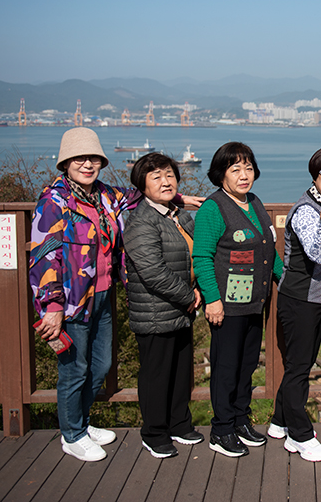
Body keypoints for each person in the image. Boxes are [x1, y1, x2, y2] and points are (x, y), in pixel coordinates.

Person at [29, 128, 201, 462]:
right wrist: (51, 304)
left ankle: (82, 422)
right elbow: (44, 254)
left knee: (100, 364)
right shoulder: (54, 201)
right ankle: (72, 434)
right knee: (74, 368)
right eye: (79, 159)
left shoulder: (106, 195)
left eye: (93, 158)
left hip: (104, 293)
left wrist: (179, 199)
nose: (87, 164)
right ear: (65, 163)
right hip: (71, 299)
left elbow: (143, 193)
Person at [192, 142, 283, 458]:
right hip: (227, 306)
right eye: (235, 169)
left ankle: (241, 419)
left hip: (254, 302)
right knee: (226, 367)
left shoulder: (254, 202)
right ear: (221, 174)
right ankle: (222, 429)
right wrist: (213, 300)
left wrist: (284, 279)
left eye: (248, 168)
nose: (244, 175)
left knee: (247, 365)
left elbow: (268, 250)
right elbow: (202, 257)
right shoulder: (213, 208)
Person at [268, 146, 321, 462]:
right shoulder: (307, 210)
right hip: (300, 298)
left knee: (299, 363)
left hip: (315, 298)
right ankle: (299, 434)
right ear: (315, 176)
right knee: (300, 368)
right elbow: (317, 253)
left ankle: (279, 421)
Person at [123, 153, 205, 459]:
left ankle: (179, 423)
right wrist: (189, 296)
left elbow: (195, 255)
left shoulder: (178, 215)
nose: (165, 181)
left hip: (181, 308)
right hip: (156, 310)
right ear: (142, 185)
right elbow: (153, 272)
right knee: (156, 374)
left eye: (169, 175)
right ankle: (154, 432)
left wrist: (195, 291)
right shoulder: (142, 221)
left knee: (180, 370)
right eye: (156, 177)